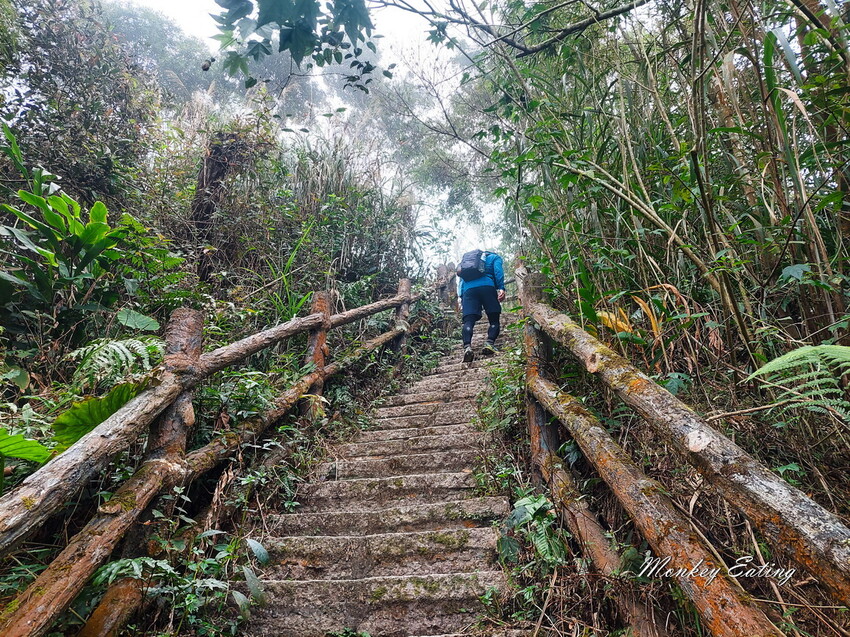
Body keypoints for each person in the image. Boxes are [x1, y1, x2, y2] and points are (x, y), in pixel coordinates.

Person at [456, 250, 506, 362]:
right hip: (487, 287)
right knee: (494, 319)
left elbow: (461, 281)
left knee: (468, 321)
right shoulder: (494, 257)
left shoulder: (467, 263)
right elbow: (498, 272)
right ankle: (489, 343)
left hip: (469, 290)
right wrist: (501, 288)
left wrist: (461, 296)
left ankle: (467, 347)